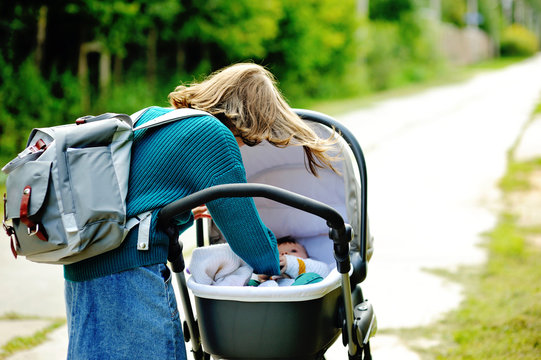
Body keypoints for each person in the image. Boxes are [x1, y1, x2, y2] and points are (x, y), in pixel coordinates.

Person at [63, 63, 338, 360]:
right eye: (248, 139)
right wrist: (276, 265)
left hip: (85, 267)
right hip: (129, 274)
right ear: (249, 118)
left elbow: (139, 201)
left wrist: (182, 214)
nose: (244, 145)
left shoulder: (157, 117)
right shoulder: (214, 135)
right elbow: (247, 234)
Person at [249, 236, 331, 287]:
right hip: (269, 296)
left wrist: (290, 263)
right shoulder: (271, 277)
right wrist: (262, 275)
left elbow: (325, 271)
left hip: (297, 295)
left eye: (293, 251)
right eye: (279, 253)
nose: (285, 253)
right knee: (249, 279)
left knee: (313, 277)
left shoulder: (311, 265)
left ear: (306, 256)